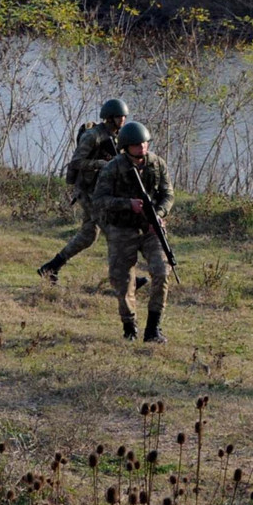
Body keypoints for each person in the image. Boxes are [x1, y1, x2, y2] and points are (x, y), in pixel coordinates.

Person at [92, 121, 174, 342]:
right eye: (137, 145)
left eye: (144, 144)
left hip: (150, 228)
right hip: (121, 228)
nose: (142, 148)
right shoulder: (112, 168)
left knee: (162, 271)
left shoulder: (157, 165)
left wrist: (158, 214)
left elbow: (168, 195)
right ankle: (129, 326)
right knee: (122, 279)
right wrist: (127, 204)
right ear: (126, 147)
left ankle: (153, 329)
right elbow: (99, 200)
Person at [37, 99, 131, 284]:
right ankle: (127, 280)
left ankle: (51, 267)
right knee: (113, 232)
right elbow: (76, 162)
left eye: (125, 116)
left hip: (102, 191)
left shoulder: (119, 136)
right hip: (88, 192)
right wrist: (100, 164)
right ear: (110, 118)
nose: (123, 119)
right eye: (120, 116)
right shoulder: (93, 136)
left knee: (88, 235)